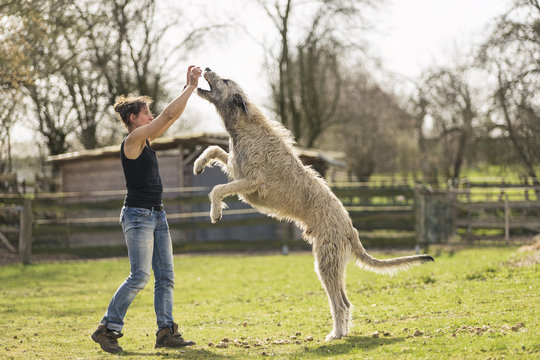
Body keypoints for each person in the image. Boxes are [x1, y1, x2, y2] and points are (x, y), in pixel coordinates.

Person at [91, 65, 202, 354]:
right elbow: (166, 115)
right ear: (133, 119)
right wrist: (190, 87)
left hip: (157, 214)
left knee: (165, 276)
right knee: (139, 276)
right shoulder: (133, 141)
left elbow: (170, 116)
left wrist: (186, 88)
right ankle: (107, 328)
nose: (150, 117)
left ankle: (165, 332)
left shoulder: (146, 139)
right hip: (138, 216)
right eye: (145, 114)